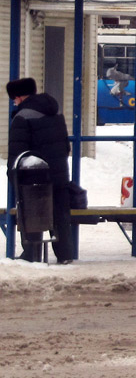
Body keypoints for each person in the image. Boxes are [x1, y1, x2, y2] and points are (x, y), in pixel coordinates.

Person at [6, 77, 73, 263]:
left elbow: (18, 151)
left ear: (19, 97)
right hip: (59, 172)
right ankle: (65, 254)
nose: (14, 102)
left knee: (32, 211)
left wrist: (13, 175)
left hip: (35, 175)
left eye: (14, 98)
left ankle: (32, 254)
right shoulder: (55, 111)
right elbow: (66, 145)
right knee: (60, 214)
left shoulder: (22, 116)